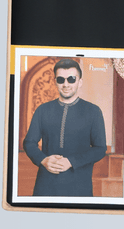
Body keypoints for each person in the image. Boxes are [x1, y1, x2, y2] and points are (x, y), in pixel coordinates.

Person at [23, 58, 107, 196]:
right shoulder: (42, 110)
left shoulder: (93, 111)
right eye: (61, 79)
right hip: (45, 185)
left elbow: (100, 149)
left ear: (80, 82)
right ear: (55, 81)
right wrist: (43, 159)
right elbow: (29, 142)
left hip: (79, 186)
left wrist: (71, 161)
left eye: (71, 79)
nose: (66, 84)